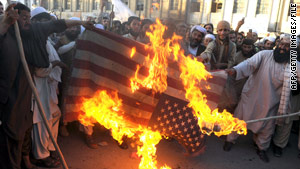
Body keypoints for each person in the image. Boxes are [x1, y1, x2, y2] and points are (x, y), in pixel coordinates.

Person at [0, 3, 93, 169]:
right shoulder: (7, 34)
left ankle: (19, 163)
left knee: (22, 130)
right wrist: (6, 22)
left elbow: (58, 24)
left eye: (29, 18)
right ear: (14, 18)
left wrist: (81, 23)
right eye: (23, 18)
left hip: (26, 89)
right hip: (8, 93)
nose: (27, 21)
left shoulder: (35, 31)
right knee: (10, 133)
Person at [223, 35, 300, 163]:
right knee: (239, 119)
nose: (282, 48)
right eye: (281, 44)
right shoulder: (264, 54)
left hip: (271, 102)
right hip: (252, 96)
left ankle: (261, 148)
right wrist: (235, 70)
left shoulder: (294, 65)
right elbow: (248, 64)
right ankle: (230, 140)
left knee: (266, 128)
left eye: (287, 46)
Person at [30, 7, 67, 168]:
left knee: (54, 115)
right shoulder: (34, 42)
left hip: (49, 87)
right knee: (41, 121)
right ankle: (41, 155)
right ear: (35, 23)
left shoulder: (45, 40)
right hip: (38, 88)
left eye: (48, 21)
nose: (46, 25)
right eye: (42, 21)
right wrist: (56, 64)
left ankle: (50, 147)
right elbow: (39, 70)